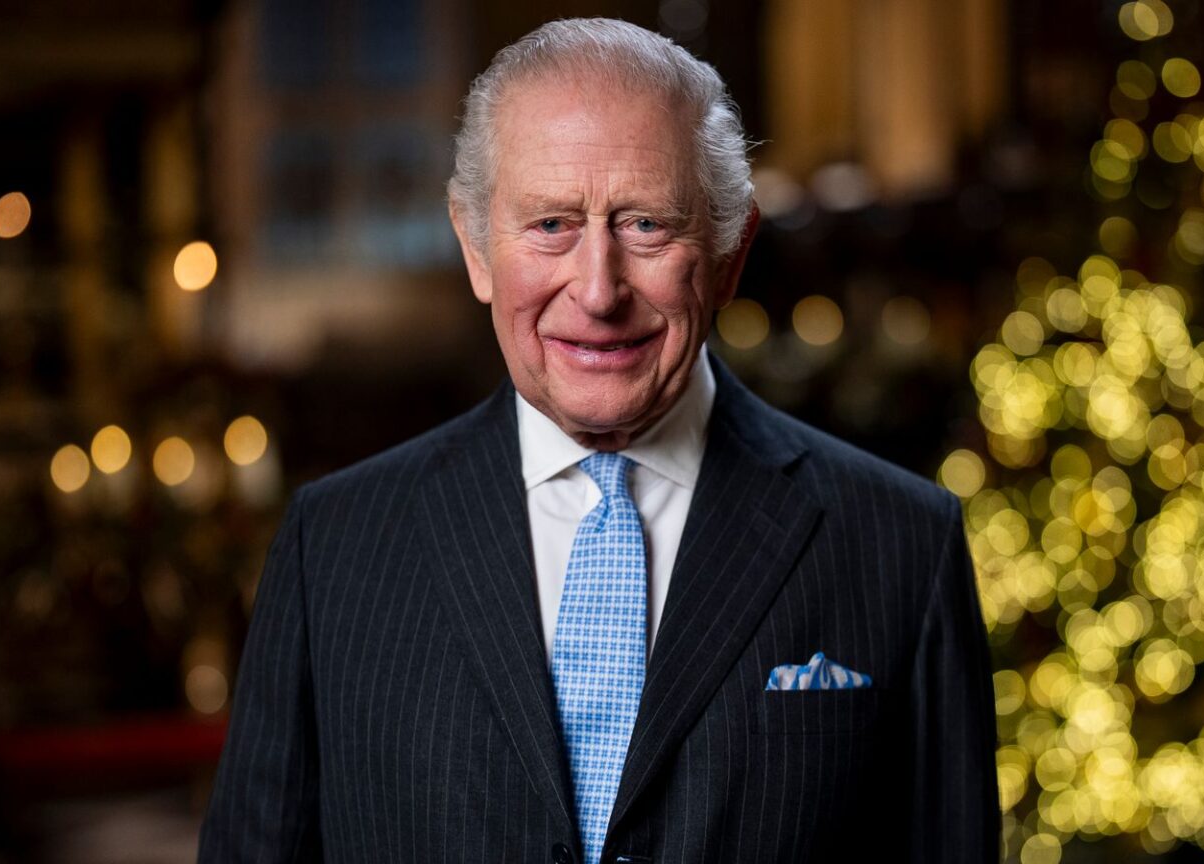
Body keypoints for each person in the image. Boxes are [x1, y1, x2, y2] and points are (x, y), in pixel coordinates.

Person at [199, 17, 997, 864]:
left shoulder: (901, 545)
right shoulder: (332, 550)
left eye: (646, 224)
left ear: (731, 253)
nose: (597, 290)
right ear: (476, 248)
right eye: (550, 224)